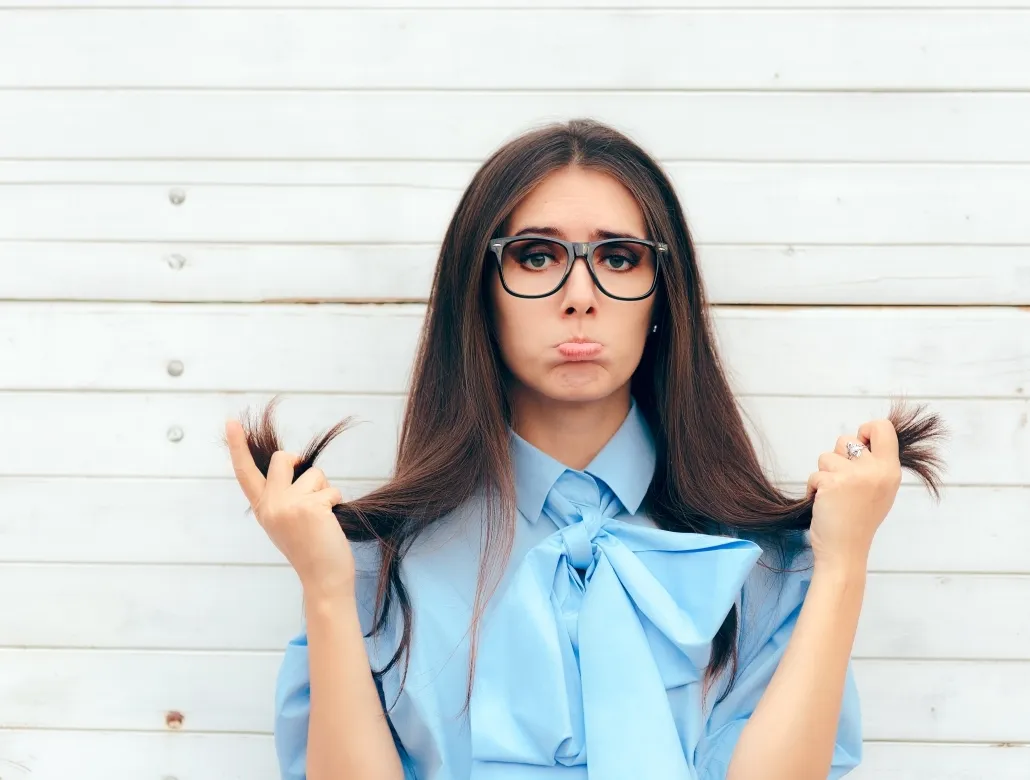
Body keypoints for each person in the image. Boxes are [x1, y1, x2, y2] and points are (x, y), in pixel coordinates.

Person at [224, 119, 945, 780]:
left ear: (664, 293)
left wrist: (844, 565)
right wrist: (325, 587)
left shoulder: (766, 565)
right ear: (480, 291)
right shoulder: (376, 567)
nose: (579, 295)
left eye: (619, 257)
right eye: (536, 256)